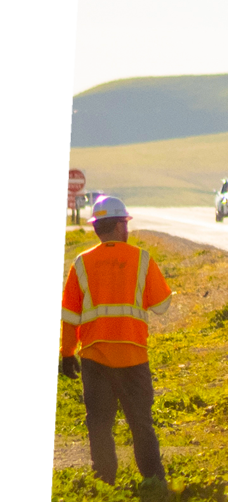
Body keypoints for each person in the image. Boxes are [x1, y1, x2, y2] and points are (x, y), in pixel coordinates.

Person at [58, 194, 172, 484]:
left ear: (96, 227)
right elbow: (161, 306)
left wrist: (67, 353)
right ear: (121, 226)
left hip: (95, 358)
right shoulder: (141, 259)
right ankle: (153, 479)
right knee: (141, 423)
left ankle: (104, 479)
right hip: (133, 357)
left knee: (99, 423)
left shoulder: (81, 264)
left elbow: (69, 316)